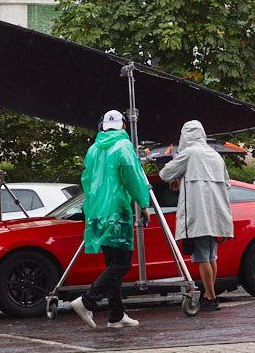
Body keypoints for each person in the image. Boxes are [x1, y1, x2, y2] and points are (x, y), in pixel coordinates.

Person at [71, 110, 151, 329]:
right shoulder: (123, 146)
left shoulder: (93, 149)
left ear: (103, 126)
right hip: (117, 212)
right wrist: (144, 204)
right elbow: (133, 176)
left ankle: (116, 315)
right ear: (124, 126)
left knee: (112, 264)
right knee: (122, 263)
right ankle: (88, 300)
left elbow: (87, 180)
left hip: (97, 212)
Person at [158, 120, 233, 312]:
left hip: (198, 213)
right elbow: (227, 185)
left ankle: (210, 297)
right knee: (211, 255)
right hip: (216, 212)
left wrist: (177, 175)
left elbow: (165, 174)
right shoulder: (216, 156)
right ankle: (210, 294)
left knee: (202, 257)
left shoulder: (188, 153)